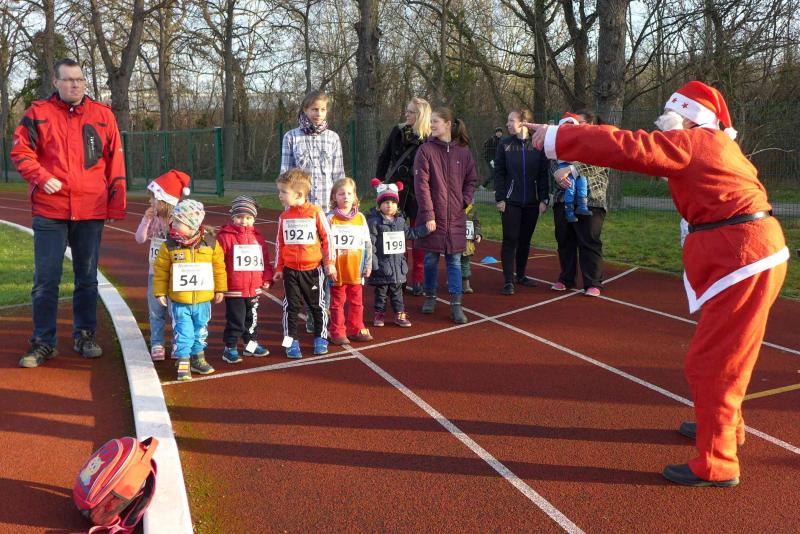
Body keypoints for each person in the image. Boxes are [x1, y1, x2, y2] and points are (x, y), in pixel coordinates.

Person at [527, 81, 789, 487]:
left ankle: (718, 462)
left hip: (741, 258)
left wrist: (560, 136)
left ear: (688, 118)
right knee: (729, 354)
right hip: (750, 253)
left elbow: (627, 147)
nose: (662, 122)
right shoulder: (716, 144)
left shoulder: (694, 142)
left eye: (670, 115)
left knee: (712, 362)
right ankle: (724, 427)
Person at [11, 58, 127, 368]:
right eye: (69, 79)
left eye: (80, 79)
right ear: (56, 82)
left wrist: (115, 204)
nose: (75, 84)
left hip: (90, 210)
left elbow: (115, 161)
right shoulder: (37, 114)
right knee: (45, 280)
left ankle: (85, 335)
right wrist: (41, 177)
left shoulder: (103, 116)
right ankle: (43, 342)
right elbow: (20, 152)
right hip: (50, 210)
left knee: (87, 278)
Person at [280, 89, 343, 333]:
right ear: (305, 110)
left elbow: (338, 174)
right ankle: (306, 309)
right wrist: (289, 208)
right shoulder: (291, 137)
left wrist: (340, 204)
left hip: (326, 210)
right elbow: (285, 173)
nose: (318, 113)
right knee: (303, 264)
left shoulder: (333, 138)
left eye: (323, 109)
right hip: (301, 213)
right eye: (314, 109)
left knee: (325, 262)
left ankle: (320, 310)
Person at [414, 107, 478, 324]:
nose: (431, 125)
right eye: (430, 121)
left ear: (448, 124)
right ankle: (430, 296)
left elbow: (471, 180)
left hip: (456, 217)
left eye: (435, 121)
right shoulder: (425, 150)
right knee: (431, 259)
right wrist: (429, 214)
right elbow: (421, 186)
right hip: (434, 217)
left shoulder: (464, 152)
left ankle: (456, 305)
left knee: (455, 261)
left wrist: (464, 201)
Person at [153, 199, 226, 381]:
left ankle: (198, 358)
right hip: (180, 301)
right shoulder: (169, 245)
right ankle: (183, 360)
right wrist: (160, 292)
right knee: (184, 331)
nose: (174, 224)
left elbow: (218, 267)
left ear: (192, 224)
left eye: (179, 222)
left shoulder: (210, 244)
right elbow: (161, 271)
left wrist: (220, 289)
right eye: (174, 220)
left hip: (203, 300)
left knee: (201, 330)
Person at [273, 169, 336, 359]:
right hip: (291, 271)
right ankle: (290, 342)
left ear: (299, 194)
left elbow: (328, 239)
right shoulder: (284, 217)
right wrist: (279, 267)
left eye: (283, 192)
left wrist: (330, 262)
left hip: (313, 270)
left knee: (317, 306)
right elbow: (280, 243)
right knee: (290, 308)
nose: (280, 196)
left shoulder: (315, 212)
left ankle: (321, 338)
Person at [548, 110, 609, 297]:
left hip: (591, 201)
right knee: (564, 240)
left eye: (579, 122)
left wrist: (571, 170)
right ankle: (566, 278)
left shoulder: (601, 142)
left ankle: (593, 282)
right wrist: (558, 175)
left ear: (590, 125)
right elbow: (553, 161)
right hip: (563, 199)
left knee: (589, 241)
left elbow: (597, 163)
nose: (574, 125)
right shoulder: (564, 141)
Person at [375, 96, 432, 296]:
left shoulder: (429, 137)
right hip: (396, 190)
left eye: (411, 111)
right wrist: (379, 181)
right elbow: (385, 156)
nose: (406, 114)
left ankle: (419, 278)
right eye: (406, 110)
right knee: (396, 234)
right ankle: (399, 274)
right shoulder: (397, 131)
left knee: (419, 237)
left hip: (419, 191)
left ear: (421, 115)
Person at [134, 169, 191, 360]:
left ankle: (178, 343)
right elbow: (140, 239)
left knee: (176, 311)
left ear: (164, 200)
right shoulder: (152, 219)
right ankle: (157, 343)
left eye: (153, 198)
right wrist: (146, 220)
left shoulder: (179, 221)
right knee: (155, 310)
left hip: (175, 275)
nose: (150, 202)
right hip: (155, 273)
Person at [493, 108, 550, 296]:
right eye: (508, 120)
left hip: (532, 202)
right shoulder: (504, 144)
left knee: (525, 241)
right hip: (511, 202)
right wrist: (500, 198)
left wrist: (544, 198)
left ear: (524, 122)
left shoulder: (538, 145)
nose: (508, 124)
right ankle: (508, 281)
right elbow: (499, 173)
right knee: (510, 240)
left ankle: (521, 275)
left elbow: (543, 174)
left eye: (512, 120)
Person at [216, 195, 274, 363]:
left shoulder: (258, 238)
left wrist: (267, 278)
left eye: (248, 218)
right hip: (234, 288)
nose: (244, 221)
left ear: (254, 219)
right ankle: (230, 347)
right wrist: (220, 285)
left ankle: (250, 345)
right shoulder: (225, 237)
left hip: (253, 288)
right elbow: (218, 262)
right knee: (236, 320)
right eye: (240, 217)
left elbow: (264, 261)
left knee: (252, 320)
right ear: (233, 217)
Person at [367, 180, 428, 328]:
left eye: (393, 202)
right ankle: (379, 314)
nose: (390, 205)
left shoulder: (400, 221)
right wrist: (373, 263)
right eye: (386, 202)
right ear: (379, 204)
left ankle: (399, 313)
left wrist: (425, 229)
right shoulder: (374, 222)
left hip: (398, 267)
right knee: (381, 293)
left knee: (397, 293)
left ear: (397, 205)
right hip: (381, 267)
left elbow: (411, 233)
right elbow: (371, 244)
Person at [326, 177, 373, 345]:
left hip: (356, 269)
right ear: (334, 197)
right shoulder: (330, 218)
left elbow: (367, 243)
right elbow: (325, 244)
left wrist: (368, 264)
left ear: (354, 196)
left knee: (357, 301)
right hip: (337, 269)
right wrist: (329, 265)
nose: (345, 197)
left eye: (349, 193)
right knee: (337, 302)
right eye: (341, 194)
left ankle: (356, 328)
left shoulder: (360, 218)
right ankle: (337, 331)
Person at [556, 113, 592, 222]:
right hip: (565, 164)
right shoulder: (560, 138)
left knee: (583, 182)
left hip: (577, 165)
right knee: (570, 186)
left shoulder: (580, 138)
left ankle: (582, 206)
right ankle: (569, 211)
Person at [461, 203, 482, 294]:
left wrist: (478, 234)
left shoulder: (472, 210)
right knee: (454, 263)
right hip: (454, 243)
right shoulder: (452, 206)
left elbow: (477, 224)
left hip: (468, 244)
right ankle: (453, 282)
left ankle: (466, 285)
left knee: (465, 264)